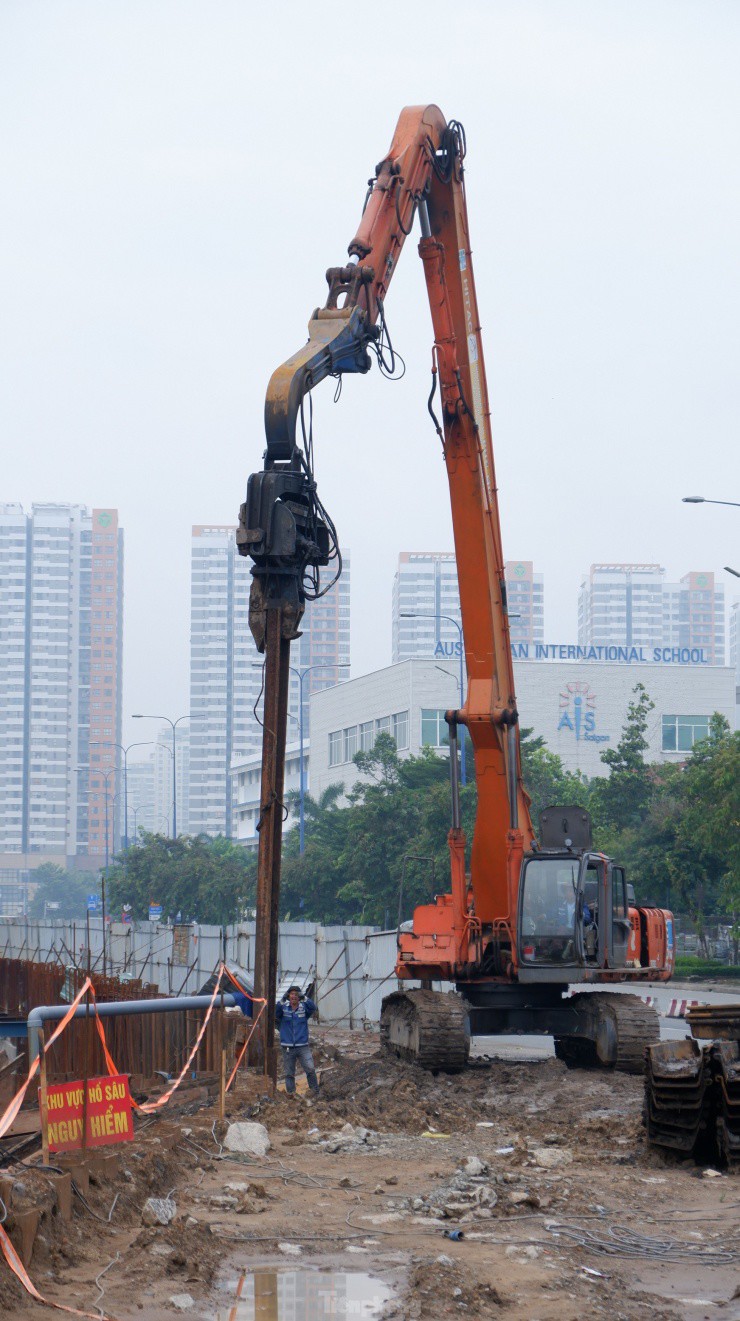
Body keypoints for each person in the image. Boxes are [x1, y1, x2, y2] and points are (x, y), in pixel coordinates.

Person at [275, 986, 319, 1095]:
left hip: (303, 1046)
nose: (294, 996)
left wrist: (304, 997)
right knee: (289, 1073)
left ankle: (315, 1092)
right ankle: (291, 1095)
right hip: (287, 1047)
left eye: (296, 994)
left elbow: (313, 1007)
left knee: (310, 1069)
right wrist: (282, 999)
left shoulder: (303, 1008)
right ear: (288, 996)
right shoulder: (283, 1009)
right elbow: (275, 1012)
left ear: (299, 997)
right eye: (292, 994)